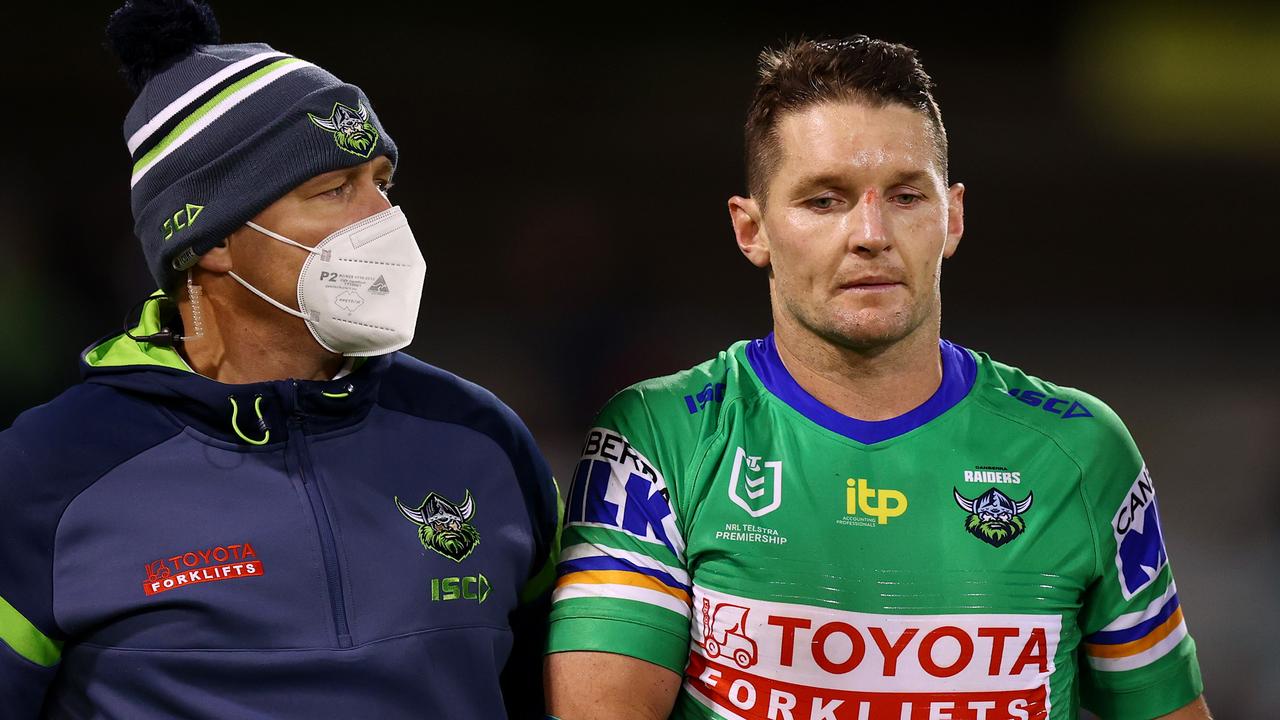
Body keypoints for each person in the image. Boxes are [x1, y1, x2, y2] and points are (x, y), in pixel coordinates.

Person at [545, 36, 1209, 720]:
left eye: (904, 196)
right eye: (824, 200)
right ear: (752, 230)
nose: (870, 232)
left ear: (952, 216)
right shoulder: (659, 439)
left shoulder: (1081, 452)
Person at [0, 2, 557, 717]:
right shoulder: (48, 471)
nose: (380, 220)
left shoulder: (482, 438)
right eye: (332, 191)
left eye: (380, 183)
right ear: (212, 241)